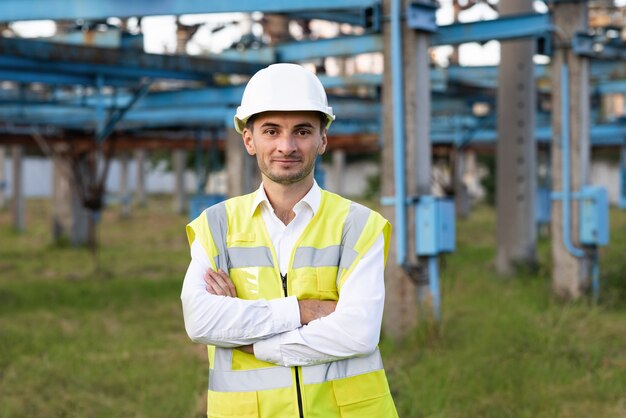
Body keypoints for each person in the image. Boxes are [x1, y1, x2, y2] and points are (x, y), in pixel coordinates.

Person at [181, 63, 398, 418]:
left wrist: (253, 342)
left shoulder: (359, 226)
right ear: (249, 140)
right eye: (271, 131)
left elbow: (358, 332)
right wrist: (304, 310)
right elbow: (201, 322)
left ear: (322, 139)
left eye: (302, 131)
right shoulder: (215, 226)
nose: (287, 145)